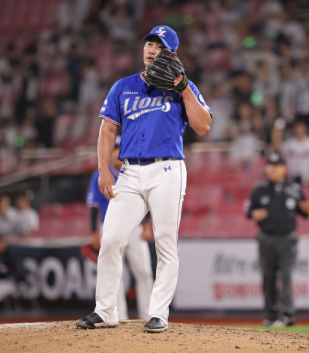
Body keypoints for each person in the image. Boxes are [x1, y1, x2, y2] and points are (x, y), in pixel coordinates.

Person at [76, 25, 211, 333]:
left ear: (172, 56)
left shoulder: (183, 89)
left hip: (167, 170)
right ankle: (105, 311)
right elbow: (108, 129)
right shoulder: (123, 87)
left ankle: (159, 313)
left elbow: (203, 127)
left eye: (160, 46)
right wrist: (103, 168)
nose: (151, 49)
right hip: (129, 171)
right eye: (149, 43)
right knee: (110, 239)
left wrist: (185, 88)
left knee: (165, 243)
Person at [86, 136, 153, 321]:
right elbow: (94, 206)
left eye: (120, 149)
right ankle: (119, 316)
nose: (117, 153)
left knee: (144, 272)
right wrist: (94, 232)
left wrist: (148, 226)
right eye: (115, 149)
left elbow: (147, 200)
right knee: (115, 273)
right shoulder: (101, 174)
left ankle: (147, 315)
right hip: (110, 226)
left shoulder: (136, 172)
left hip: (136, 228)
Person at [246, 153, 309, 328]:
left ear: (284, 169)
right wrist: (254, 214)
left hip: (288, 239)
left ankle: (287, 315)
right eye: (270, 165)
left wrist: (307, 209)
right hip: (266, 238)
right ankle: (272, 315)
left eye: (277, 165)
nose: (272, 169)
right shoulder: (259, 190)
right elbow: (248, 211)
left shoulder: (294, 189)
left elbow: (305, 211)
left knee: (286, 276)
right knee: (268, 277)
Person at [282, 120, 309, 185]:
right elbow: (285, 158)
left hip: (307, 173)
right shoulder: (288, 144)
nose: (299, 130)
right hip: (293, 173)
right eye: (298, 128)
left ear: (305, 129)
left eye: (301, 128)